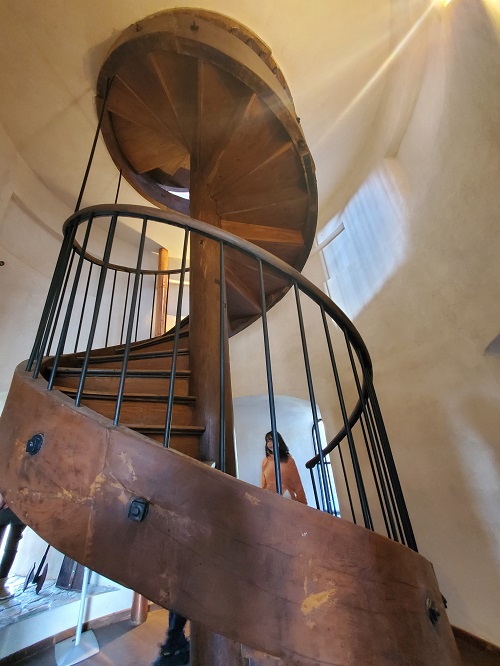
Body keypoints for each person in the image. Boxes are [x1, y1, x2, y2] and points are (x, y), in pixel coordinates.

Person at [261, 432, 307, 504]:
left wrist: (304, 504)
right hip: (270, 498)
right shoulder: (265, 461)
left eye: (272, 440)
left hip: (286, 496)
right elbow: (263, 485)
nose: (270, 444)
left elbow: (297, 484)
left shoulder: (288, 460)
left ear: (279, 441)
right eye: (268, 441)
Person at [0, 493, 26, 600]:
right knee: (12, 545)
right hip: (22, 507)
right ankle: (0, 586)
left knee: (11, 545)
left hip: (10, 504)